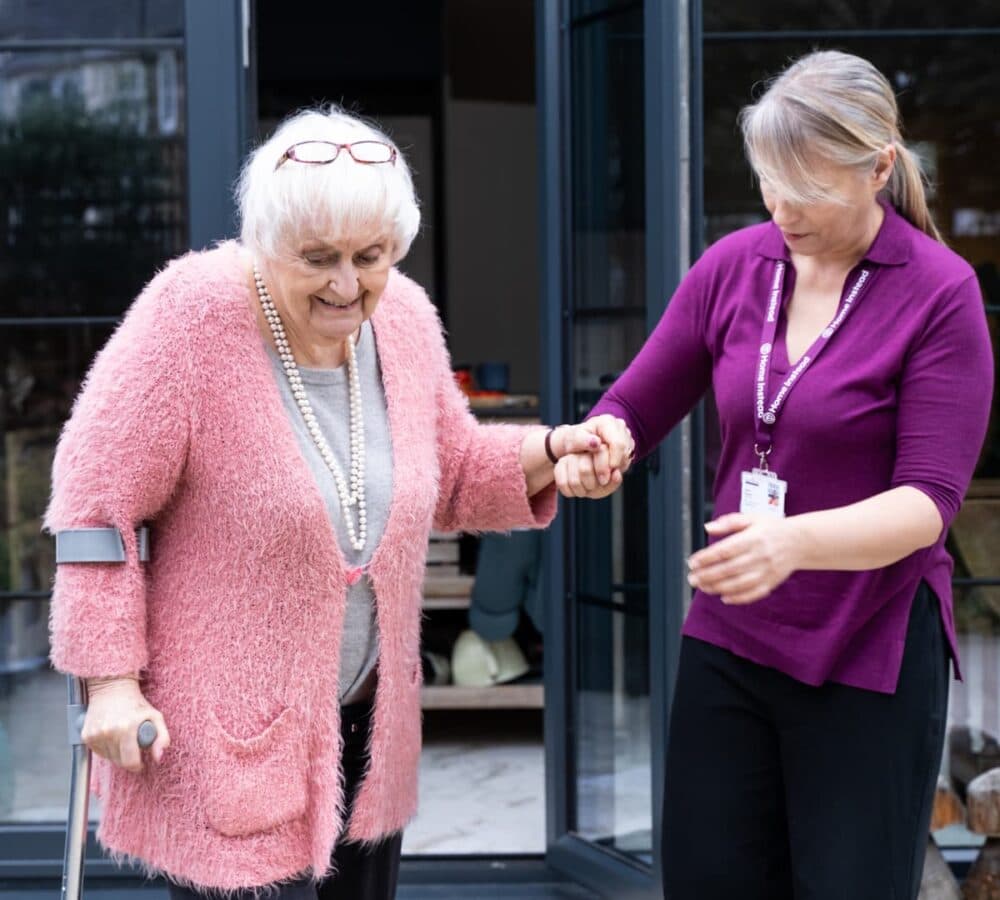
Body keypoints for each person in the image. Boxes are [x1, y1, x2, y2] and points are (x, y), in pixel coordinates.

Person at [45, 105, 630, 899]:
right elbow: (93, 506)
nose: (349, 284)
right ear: (262, 242)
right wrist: (110, 680)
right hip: (228, 733)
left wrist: (550, 453)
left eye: (372, 256)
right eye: (318, 257)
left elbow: (453, 469)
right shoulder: (190, 318)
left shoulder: (406, 319)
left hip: (366, 725)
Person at [562, 50, 994, 899]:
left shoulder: (942, 293)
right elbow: (635, 405)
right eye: (768, 181)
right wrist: (599, 444)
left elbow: (927, 505)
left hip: (870, 646)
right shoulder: (734, 266)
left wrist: (791, 543)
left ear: (877, 168)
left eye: (808, 187)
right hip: (732, 639)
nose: (780, 206)